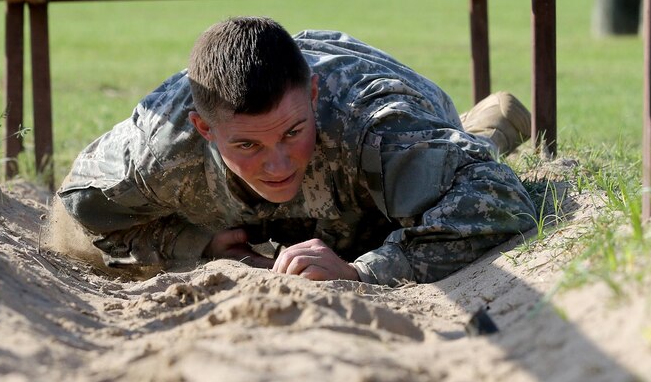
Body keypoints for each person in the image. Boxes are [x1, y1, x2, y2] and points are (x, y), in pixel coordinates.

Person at [46, 17, 537, 285]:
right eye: (247, 144)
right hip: (249, 193)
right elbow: (82, 207)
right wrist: (198, 246)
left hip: (375, 160)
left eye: (291, 132)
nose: (278, 165)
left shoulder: (377, 128)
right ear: (204, 129)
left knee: (437, 181)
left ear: (315, 97)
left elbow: (499, 199)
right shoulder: (162, 148)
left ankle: (483, 131)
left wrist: (363, 270)